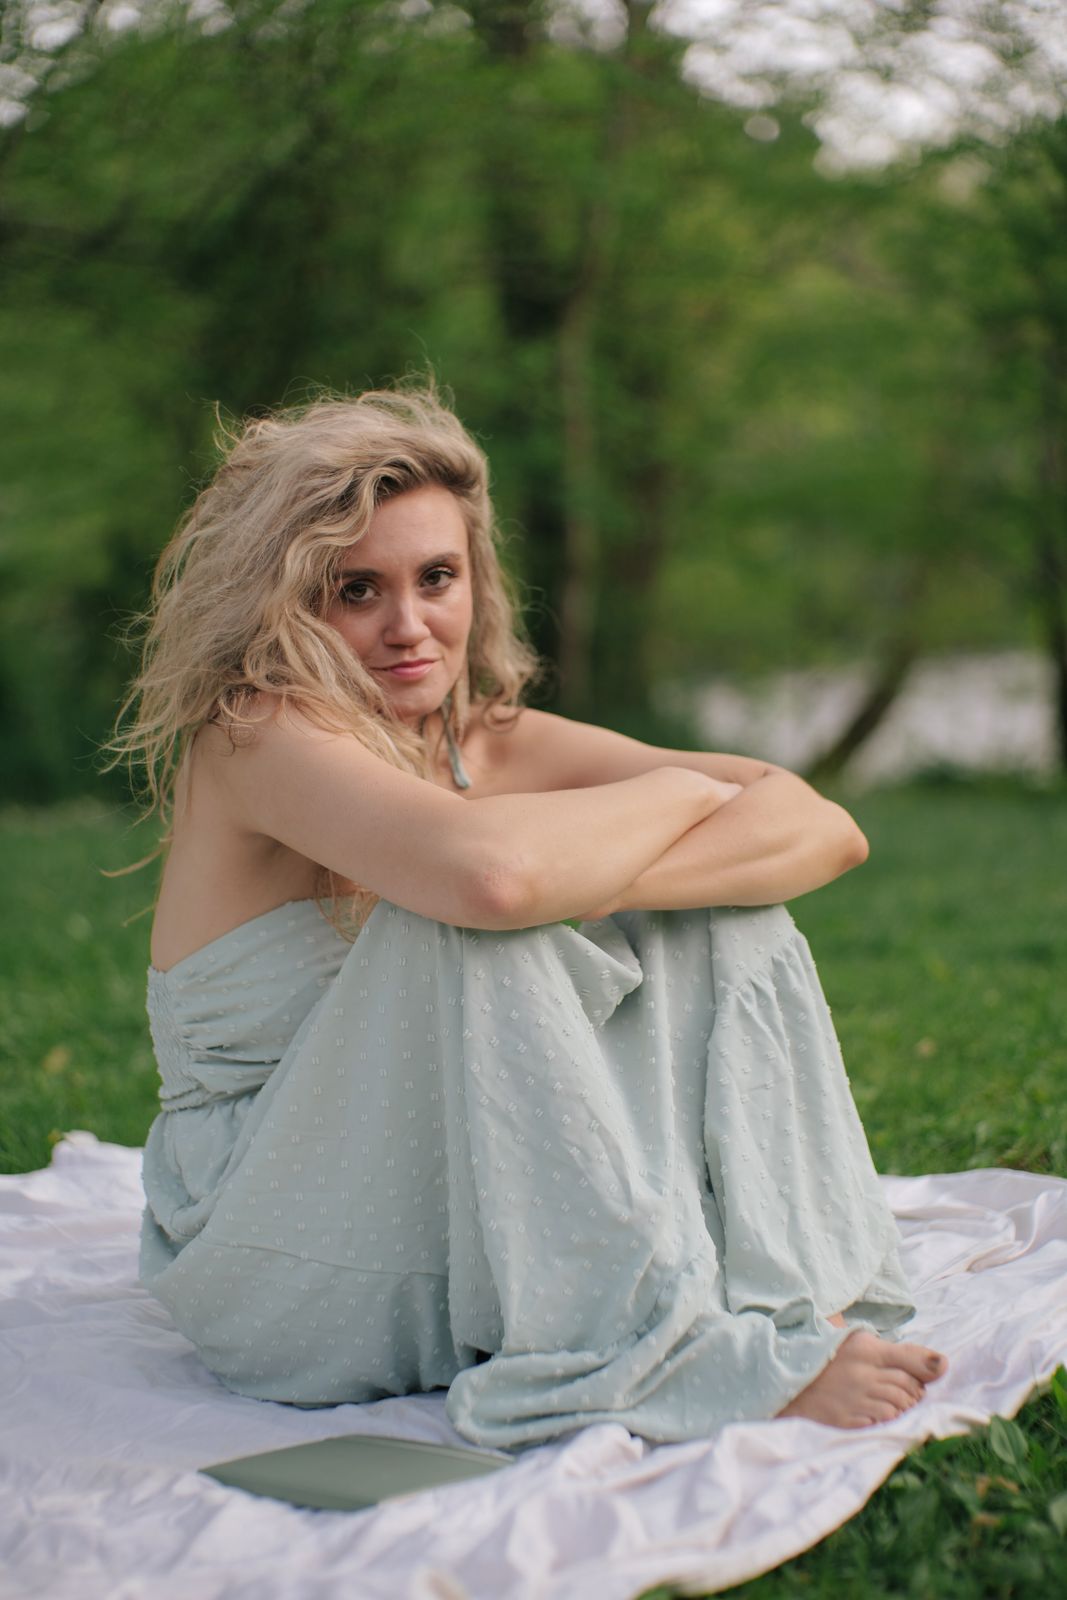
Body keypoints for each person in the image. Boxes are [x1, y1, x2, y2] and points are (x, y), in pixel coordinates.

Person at [113, 385, 946, 1450]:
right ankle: (653, 1351)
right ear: (285, 602)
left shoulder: (487, 742)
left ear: (476, 580)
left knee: (716, 904)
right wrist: (692, 795)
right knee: (462, 912)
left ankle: (790, 1283)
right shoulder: (257, 734)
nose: (407, 625)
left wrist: (620, 879)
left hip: (452, 1233)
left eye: (436, 578)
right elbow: (493, 884)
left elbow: (823, 829)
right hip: (275, 1256)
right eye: (354, 589)